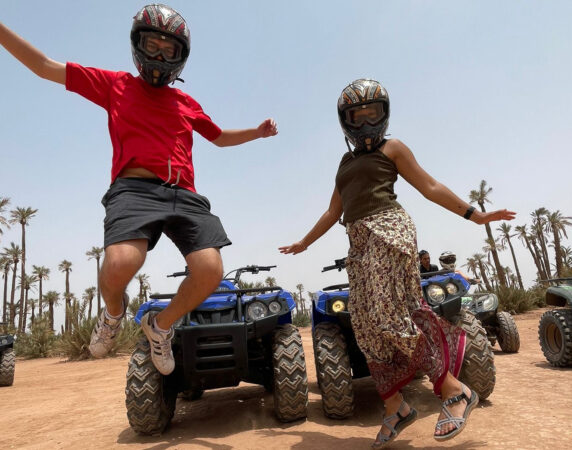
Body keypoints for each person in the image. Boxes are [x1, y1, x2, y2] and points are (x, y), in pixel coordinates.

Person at [0, 4, 278, 376]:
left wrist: (255, 133)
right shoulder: (116, 85)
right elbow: (44, 66)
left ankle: (160, 326)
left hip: (184, 194)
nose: (160, 56)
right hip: (134, 189)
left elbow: (219, 137)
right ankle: (113, 313)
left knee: (210, 270)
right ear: (137, 46)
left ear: (181, 57)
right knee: (120, 264)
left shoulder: (186, 102)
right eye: (153, 46)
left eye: (170, 50)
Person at [280, 79, 515, 446]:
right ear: (345, 121)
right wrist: (304, 242)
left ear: (383, 115)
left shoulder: (393, 147)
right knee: (365, 326)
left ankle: (454, 390)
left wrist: (475, 215)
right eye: (355, 117)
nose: (363, 123)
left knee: (391, 315)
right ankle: (395, 407)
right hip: (358, 243)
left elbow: (430, 186)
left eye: (370, 114)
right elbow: (332, 211)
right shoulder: (345, 162)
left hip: (389, 230)